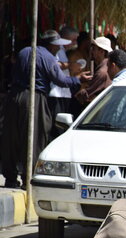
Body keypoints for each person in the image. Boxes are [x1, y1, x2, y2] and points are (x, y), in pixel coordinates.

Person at [1, 30, 91, 188]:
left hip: (14, 97)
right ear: (51, 45)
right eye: (57, 46)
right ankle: (27, 177)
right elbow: (60, 80)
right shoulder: (48, 58)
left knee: (12, 137)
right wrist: (77, 79)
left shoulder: (24, 52)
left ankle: (10, 177)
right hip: (34, 98)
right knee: (35, 137)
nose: (59, 49)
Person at [48, 27, 78, 138]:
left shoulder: (63, 51)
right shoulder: (58, 49)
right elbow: (54, 64)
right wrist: (69, 65)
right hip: (56, 93)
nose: (74, 43)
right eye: (73, 40)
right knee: (57, 126)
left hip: (63, 93)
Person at [74, 37, 112, 107]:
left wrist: (76, 85)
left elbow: (87, 94)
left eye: (94, 49)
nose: (92, 51)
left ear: (102, 51)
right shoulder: (106, 67)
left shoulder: (102, 72)